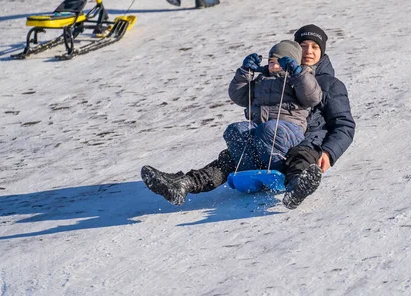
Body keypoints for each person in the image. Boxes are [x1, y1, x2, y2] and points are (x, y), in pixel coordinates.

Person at [141, 24, 356, 209]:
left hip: (307, 143)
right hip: (266, 137)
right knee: (231, 157)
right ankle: (184, 184)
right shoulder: (271, 76)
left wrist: (329, 152)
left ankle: (297, 188)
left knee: (300, 158)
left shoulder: (329, 84)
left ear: (323, 52)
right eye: (303, 46)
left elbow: (343, 124)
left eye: (315, 47)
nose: (308, 51)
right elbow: (242, 95)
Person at [224, 40, 322, 174]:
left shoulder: (298, 79)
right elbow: (238, 96)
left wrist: (298, 73)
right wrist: (244, 72)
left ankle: (280, 171)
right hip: (260, 130)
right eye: (271, 62)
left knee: (269, 129)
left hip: (289, 131)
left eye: (279, 62)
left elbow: (312, 97)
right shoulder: (261, 80)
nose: (274, 66)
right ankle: (250, 171)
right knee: (235, 130)